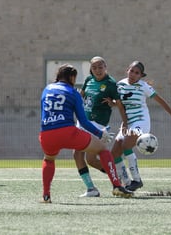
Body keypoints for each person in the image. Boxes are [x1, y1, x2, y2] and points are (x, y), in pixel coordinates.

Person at [38, 63, 133, 203]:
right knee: (102, 149)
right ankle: (117, 186)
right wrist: (100, 134)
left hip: (46, 134)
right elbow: (83, 121)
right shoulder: (73, 92)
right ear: (71, 77)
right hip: (67, 132)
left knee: (48, 160)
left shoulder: (47, 89)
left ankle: (46, 195)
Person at [112, 61, 171, 191]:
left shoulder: (143, 86)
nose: (133, 74)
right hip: (127, 122)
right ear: (127, 70)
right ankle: (127, 183)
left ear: (141, 76)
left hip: (141, 121)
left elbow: (161, 101)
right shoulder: (120, 85)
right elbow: (119, 104)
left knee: (126, 144)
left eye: (137, 73)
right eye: (132, 71)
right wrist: (110, 103)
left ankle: (137, 180)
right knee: (114, 153)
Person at [73, 56, 128, 197]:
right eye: (94, 67)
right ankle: (94, 188)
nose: (97, 70)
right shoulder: (88, 80)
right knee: (81, 156)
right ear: (91, 69)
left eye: (100, 67)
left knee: (90, 159)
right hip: (83, 122)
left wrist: (125, 122)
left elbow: (119, 104)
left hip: (97, 125)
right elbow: (82, 96)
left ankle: (117, 181)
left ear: (105, 67)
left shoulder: (110, 83)